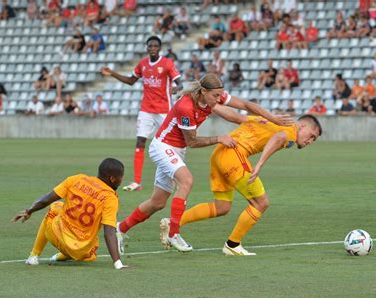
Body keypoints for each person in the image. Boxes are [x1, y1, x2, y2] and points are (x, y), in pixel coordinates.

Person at [116, 73, 294, 253]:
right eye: (215, 96)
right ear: (203, 92)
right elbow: (191, 141)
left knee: (157, 202)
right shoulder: (186, 107)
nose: (219, 99)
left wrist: (272, 118)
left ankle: (120, 229)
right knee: (186, 181)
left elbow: (245, 106)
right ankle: (174, 233)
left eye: (220, 95)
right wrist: (218, 138)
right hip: (163, 146)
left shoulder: (212, 99)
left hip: (177, 150)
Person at [163, 114, 322, 255]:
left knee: (222, 207)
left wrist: (212, 106)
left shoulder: (266, 118)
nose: (310, 141)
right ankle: (233, 244)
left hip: (219, 153)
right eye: (312, 136)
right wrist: (259, 164)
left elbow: (236, 116)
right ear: (302, 126)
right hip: (234, 156)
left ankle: (174, 223)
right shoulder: (291, 132)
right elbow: (278, 138)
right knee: (261, 203)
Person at [12, 158, 128, 270]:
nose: (121, 181)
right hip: (79, 250)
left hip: (56, 236)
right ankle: (61, 256)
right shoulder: (110, 198)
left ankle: (33, 256)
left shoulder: (77, 179)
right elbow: (109, 232)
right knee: (93, 246)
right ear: (112, 179)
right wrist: (118, 263)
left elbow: (46, 200)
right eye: (120, 177)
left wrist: (29, 211)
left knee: (55, 207)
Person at [100, 36, 182, 192]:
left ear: (160, 48)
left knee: (171, 142)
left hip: (164, 109)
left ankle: (177, 176)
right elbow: (131, 81)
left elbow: (180, 82)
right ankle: (137, 182)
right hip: (146, 109)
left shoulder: (167, 64)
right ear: (147, 48)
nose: (152, 48)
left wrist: (176, 89)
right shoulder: (143, 64)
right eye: (150, 45)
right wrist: (112, 74)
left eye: (155, 46)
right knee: (140, 142)